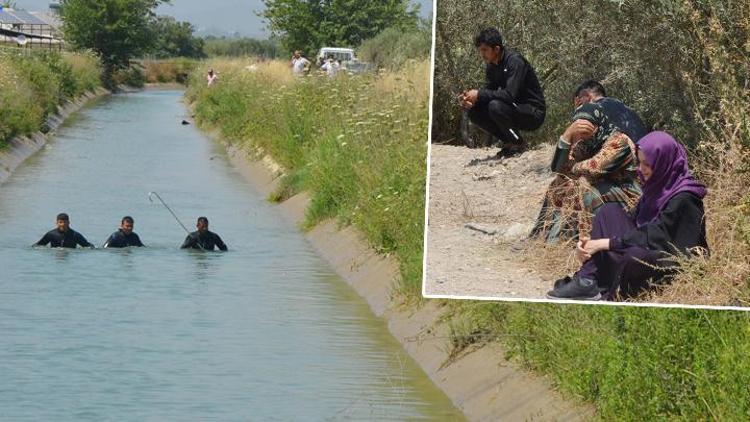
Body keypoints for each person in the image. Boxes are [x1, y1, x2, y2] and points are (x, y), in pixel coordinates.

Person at [546, 131, 708, 300]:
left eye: (647, 164)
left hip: (672, 258)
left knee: (635, 257)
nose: (641, 169)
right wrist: (590, 247)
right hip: (647, 245)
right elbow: (634, 221)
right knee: (609, 212)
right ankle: (588, 280)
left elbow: (658, 236)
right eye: (640, 162)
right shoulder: (657, 186)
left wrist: (606, 243)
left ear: (664, 162)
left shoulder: (685, 198)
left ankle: (611, 291)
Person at [529, 85, 642, 242]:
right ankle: (545, 239)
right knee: (558, 184)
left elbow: (595, 167)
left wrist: (573, 168)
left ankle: (586, 242)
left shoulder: (619, 141)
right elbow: (558, 169)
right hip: (604, 189)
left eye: (587, 127)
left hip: (628, 195)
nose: (582, 134)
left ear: (597, 124)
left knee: (583, 189)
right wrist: (567, 136)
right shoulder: (588, 142)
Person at [458, 27, 546, 157]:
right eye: (480, 50)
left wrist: (479, 94)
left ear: (497, 49)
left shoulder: (515, 62)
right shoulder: (491, 66)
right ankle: (509, 142)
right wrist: (472, 100)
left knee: (495, 106)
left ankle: (518, 143)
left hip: (533, 112)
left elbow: (509, 95)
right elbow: (489, 92)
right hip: (512, 109)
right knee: (475, 111)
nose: (482, 54)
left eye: (485, 50)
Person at [572, 80, 647, 143]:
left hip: (625, 157)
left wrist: (578, 111)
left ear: (587, 95)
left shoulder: (591, 108)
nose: (579, 103)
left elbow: (578, 140)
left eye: (580, 100)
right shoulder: (624, 107)